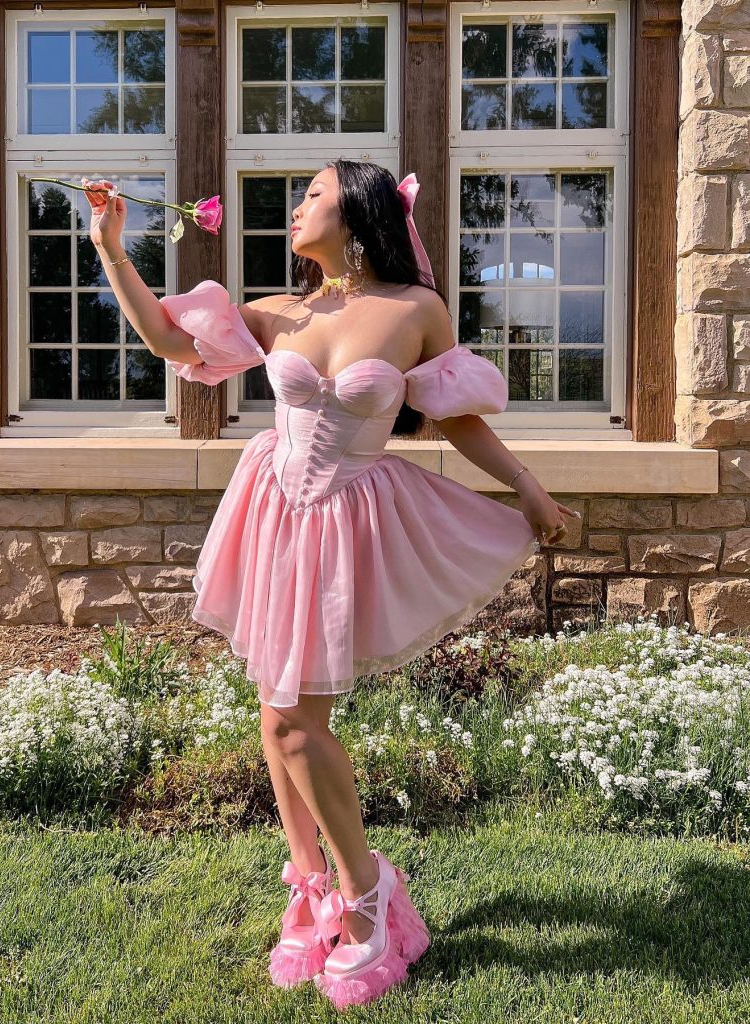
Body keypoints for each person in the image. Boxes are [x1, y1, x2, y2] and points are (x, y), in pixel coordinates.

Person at [83, 159, 579, 1009]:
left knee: (293, 720)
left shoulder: (414, 309)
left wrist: (526, 485)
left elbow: (449, 414)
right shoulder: (281, 310)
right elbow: (171, 341)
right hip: (274, 513)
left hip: (349, 520)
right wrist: (110, 249)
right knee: (278, 721)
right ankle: (312, 889)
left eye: (312, 192)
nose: (297, 205)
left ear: (356, 210)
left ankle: (365, 896)